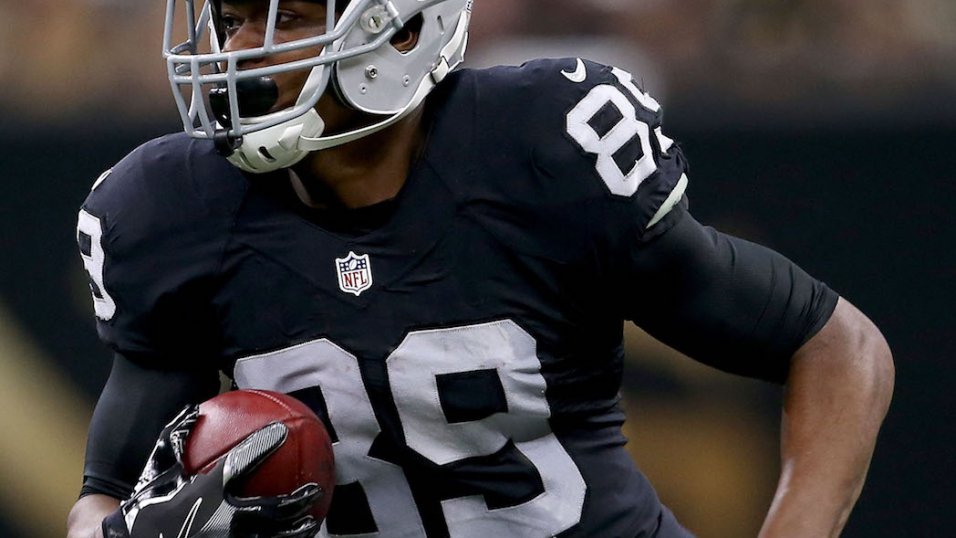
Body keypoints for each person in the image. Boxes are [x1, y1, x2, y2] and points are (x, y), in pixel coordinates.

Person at [67, 0, 895, 536]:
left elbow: (834, 344)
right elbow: (100, 496)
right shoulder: (167, 209)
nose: (244, 51)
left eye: (288, 21)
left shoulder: (541, 148)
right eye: (235, 17)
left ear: (399, 28)